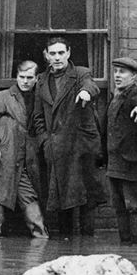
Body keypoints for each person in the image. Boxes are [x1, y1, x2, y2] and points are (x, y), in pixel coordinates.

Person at [32, 36, 106, 236]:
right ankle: (65, 249)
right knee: (61, 198)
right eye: (53, 53)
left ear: (69, 53)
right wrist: (45, 142)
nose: (57, 58)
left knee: (84, 198)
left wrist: (85, 93)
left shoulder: (81, 73)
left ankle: (86, 246)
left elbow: (92, 86)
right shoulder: (41, 81)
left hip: (79, 147)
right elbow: (38, 116)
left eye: (61, 53)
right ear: (46, 56)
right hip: (56, 149)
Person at [0, 60, 48, 238]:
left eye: (29, 78)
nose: (25, 81)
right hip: (1, 159)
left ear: (36, 79)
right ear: (16, 77)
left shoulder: (38, 99)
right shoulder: (4, 96)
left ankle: (42, 240)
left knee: (29, 199)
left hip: (23, 161)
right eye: (21, 77)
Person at [101, 57, 137, 244]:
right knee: (119, 207)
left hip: (132, 161)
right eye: (115, 72)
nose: (117, 76)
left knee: (135, 207)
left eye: (122, 72)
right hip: (114, 161)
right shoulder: (116, 96)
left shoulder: (136, 93)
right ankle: (125, 247)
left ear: (133, 76)